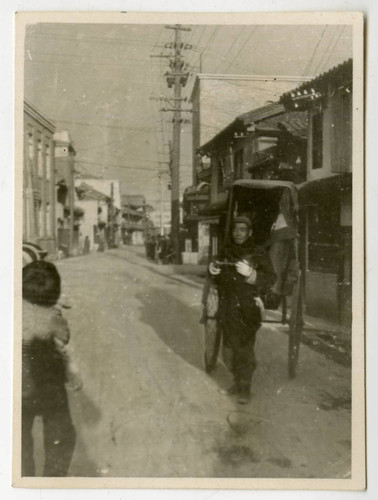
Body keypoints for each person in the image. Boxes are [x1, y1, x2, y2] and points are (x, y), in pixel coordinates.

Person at [22, 261, 82, 476]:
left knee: (18, 441)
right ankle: (52, 481)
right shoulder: (55, 321)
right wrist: (73, 373)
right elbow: (63, 346)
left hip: (14, 389)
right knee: (61, 435)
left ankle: (22, 481)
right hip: (48, 387)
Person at [208, 216, 275, 404]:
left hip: (247, 309)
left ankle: (245, 388)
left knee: (244, 349)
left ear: (250, 232)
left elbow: (271, 278)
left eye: (242, 230)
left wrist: (252, 274)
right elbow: (216, 273)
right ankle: (237, 382)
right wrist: (213, 270)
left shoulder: (258, 252)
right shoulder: (226, 251)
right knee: (228, 350)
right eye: (235, 229)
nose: (238, 233)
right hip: (227, 307)